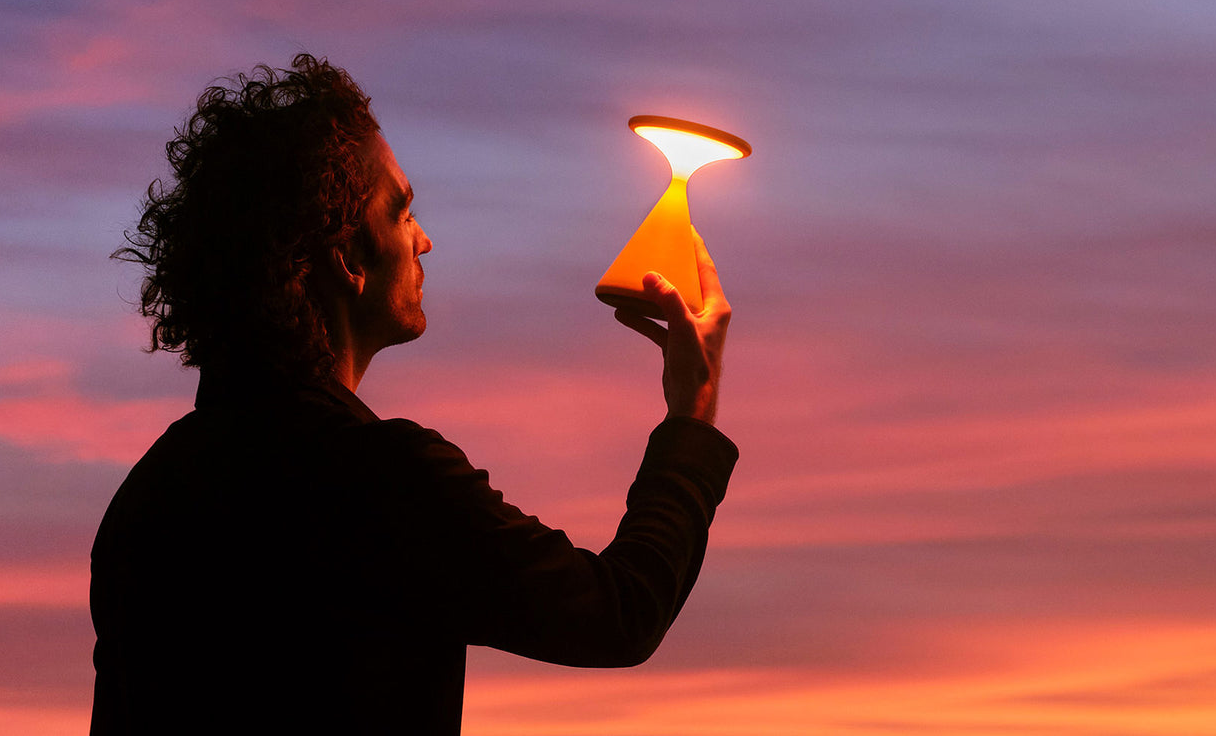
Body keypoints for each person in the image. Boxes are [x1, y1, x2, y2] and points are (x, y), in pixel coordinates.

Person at [91, 54, 737, 735]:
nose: (423, 239)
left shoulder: (154, 490)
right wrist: (691, 416)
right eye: (401, 212)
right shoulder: (375, 477)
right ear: (346, 257)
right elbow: (618, 614)